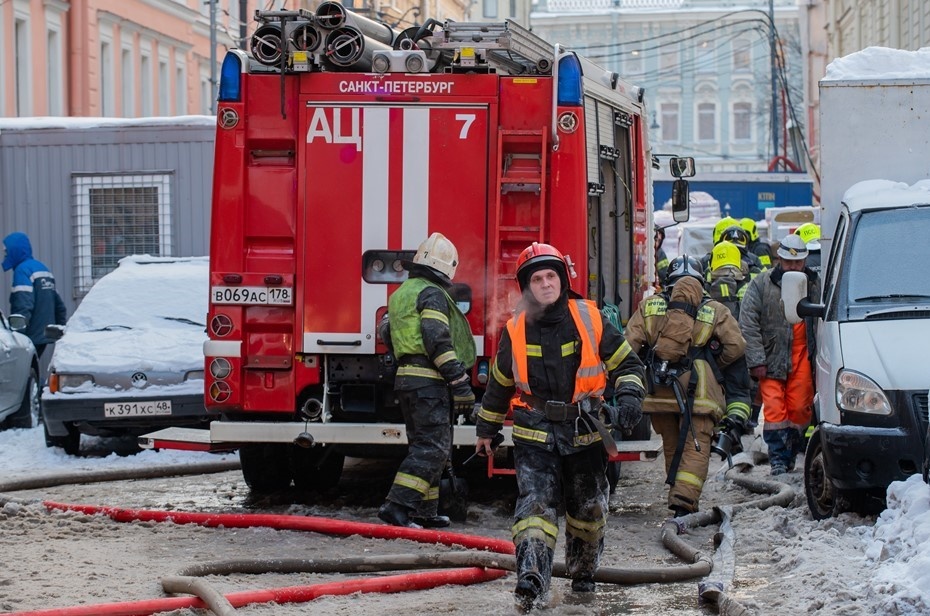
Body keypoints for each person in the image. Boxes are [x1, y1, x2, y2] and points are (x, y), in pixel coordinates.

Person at [473, 242, 646, 608]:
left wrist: (629, 402)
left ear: (563, 279)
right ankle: (532, 578)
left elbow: (629, 367)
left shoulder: (589, 318)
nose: (546, 283)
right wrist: (486, 430)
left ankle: (583, 576)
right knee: (535, 508)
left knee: (588, 510)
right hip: (534, 434)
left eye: (552, 275)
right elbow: (500, 385)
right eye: (538, 278)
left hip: (585, 433)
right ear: (527, 286)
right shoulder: (515, 328)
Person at [625, 255, 750, 517]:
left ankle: (678, 493)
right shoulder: (715, 310)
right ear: (701, 281)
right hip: (700, 393)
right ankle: (684, 502)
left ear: (667, 282)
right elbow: (736, 346)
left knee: (672, 444)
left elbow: (629, 347)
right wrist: (714, 364)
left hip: (659, 392)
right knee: (695, 445)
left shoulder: (649, 307)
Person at [378, 232, 476, 529]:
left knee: (423, 445)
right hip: (428, 381)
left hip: (407, 380)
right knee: (433, 449)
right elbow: (437, 340)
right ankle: (396, 507)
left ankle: (423, 512)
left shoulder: (402, 293)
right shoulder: (432, 294)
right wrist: (459, 381)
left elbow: (386, 334)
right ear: (447, 269)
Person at [738, 234, 820, 475]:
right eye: (788, 263)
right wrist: (756, 360)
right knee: (774, 411)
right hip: (770, 358)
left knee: (799, 409)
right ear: (779, 260)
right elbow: (748, 322)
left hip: (802, 358)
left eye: (797, 263)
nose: (793, 267)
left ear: (804, 262)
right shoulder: (762, 284)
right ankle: (778, 460)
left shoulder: (815, 284)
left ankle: (791, 452)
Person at [2, 232, 67, 358]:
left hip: (31, 336)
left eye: (6, 251)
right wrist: (61, 331)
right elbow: (59, 305)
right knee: (32, 372)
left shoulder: (22, 271)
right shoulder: (43, 268)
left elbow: (23, 305)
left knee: (24, 373)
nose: (5, 255)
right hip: (44, 335)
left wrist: (17, 337)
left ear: (15, 250)